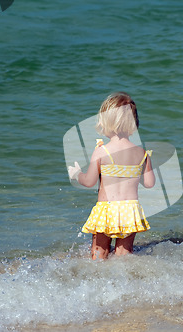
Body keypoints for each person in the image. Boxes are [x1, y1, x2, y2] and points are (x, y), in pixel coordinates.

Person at [68, 92, 155, 259]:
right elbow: (150, 183)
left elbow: (89, 181)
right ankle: (123, 281)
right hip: (130, 209)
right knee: (125, 253)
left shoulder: (102, 151)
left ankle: (99, 280)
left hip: (106, 209)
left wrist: (77, 174)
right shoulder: (142, 153)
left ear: (107, 122)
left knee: (99, 251)